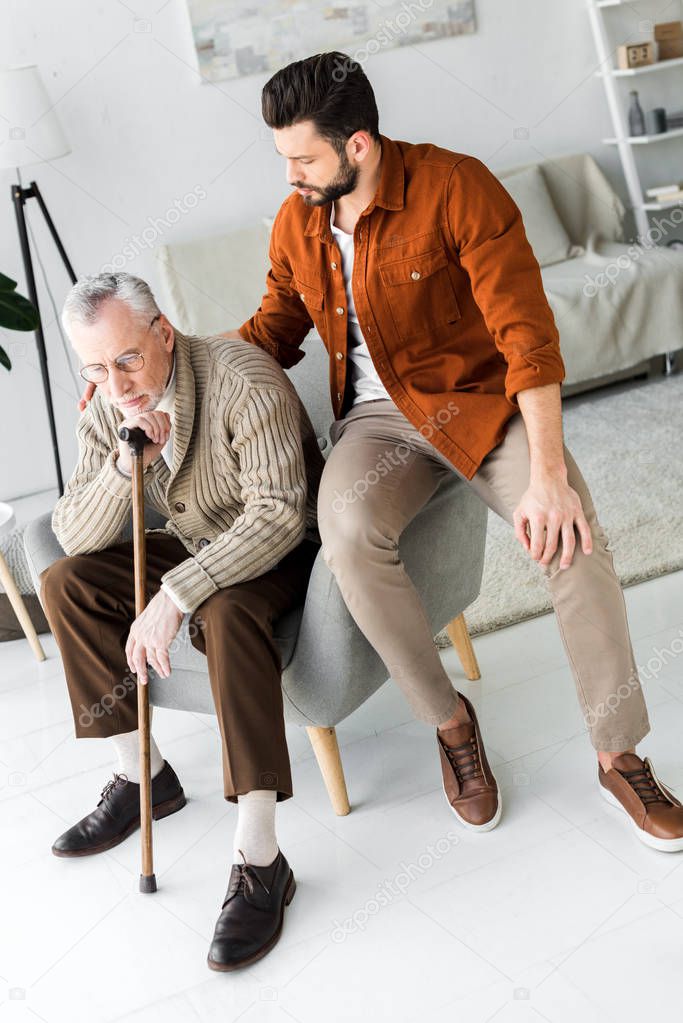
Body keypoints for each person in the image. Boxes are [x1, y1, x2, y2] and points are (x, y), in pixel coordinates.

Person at [221, 51, 683, 850]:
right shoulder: (297, 221)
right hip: (376, 424)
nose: (289, 173)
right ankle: (450, 722)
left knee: (571, 541)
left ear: (357, 144)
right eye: (282, 158)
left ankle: (619, 754)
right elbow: (270, 333)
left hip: (482, 405)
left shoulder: (454, 186)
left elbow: (526, 337)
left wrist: (547, 477)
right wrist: (158, 375)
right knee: (348, 539)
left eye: (302, 157)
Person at [42, 272, 324, 970]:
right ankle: (145, 776)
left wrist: (175, 595)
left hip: (278, 549)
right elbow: (75, 534)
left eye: (129, 359)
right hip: (196, 541)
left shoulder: (240, 378)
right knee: (65, 582)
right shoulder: (112, 402)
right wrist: (121, 462)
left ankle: (260, 857)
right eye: (97, 368)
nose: (117, 383)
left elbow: (280, 515)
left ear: (163, 332)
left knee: (224, 611)